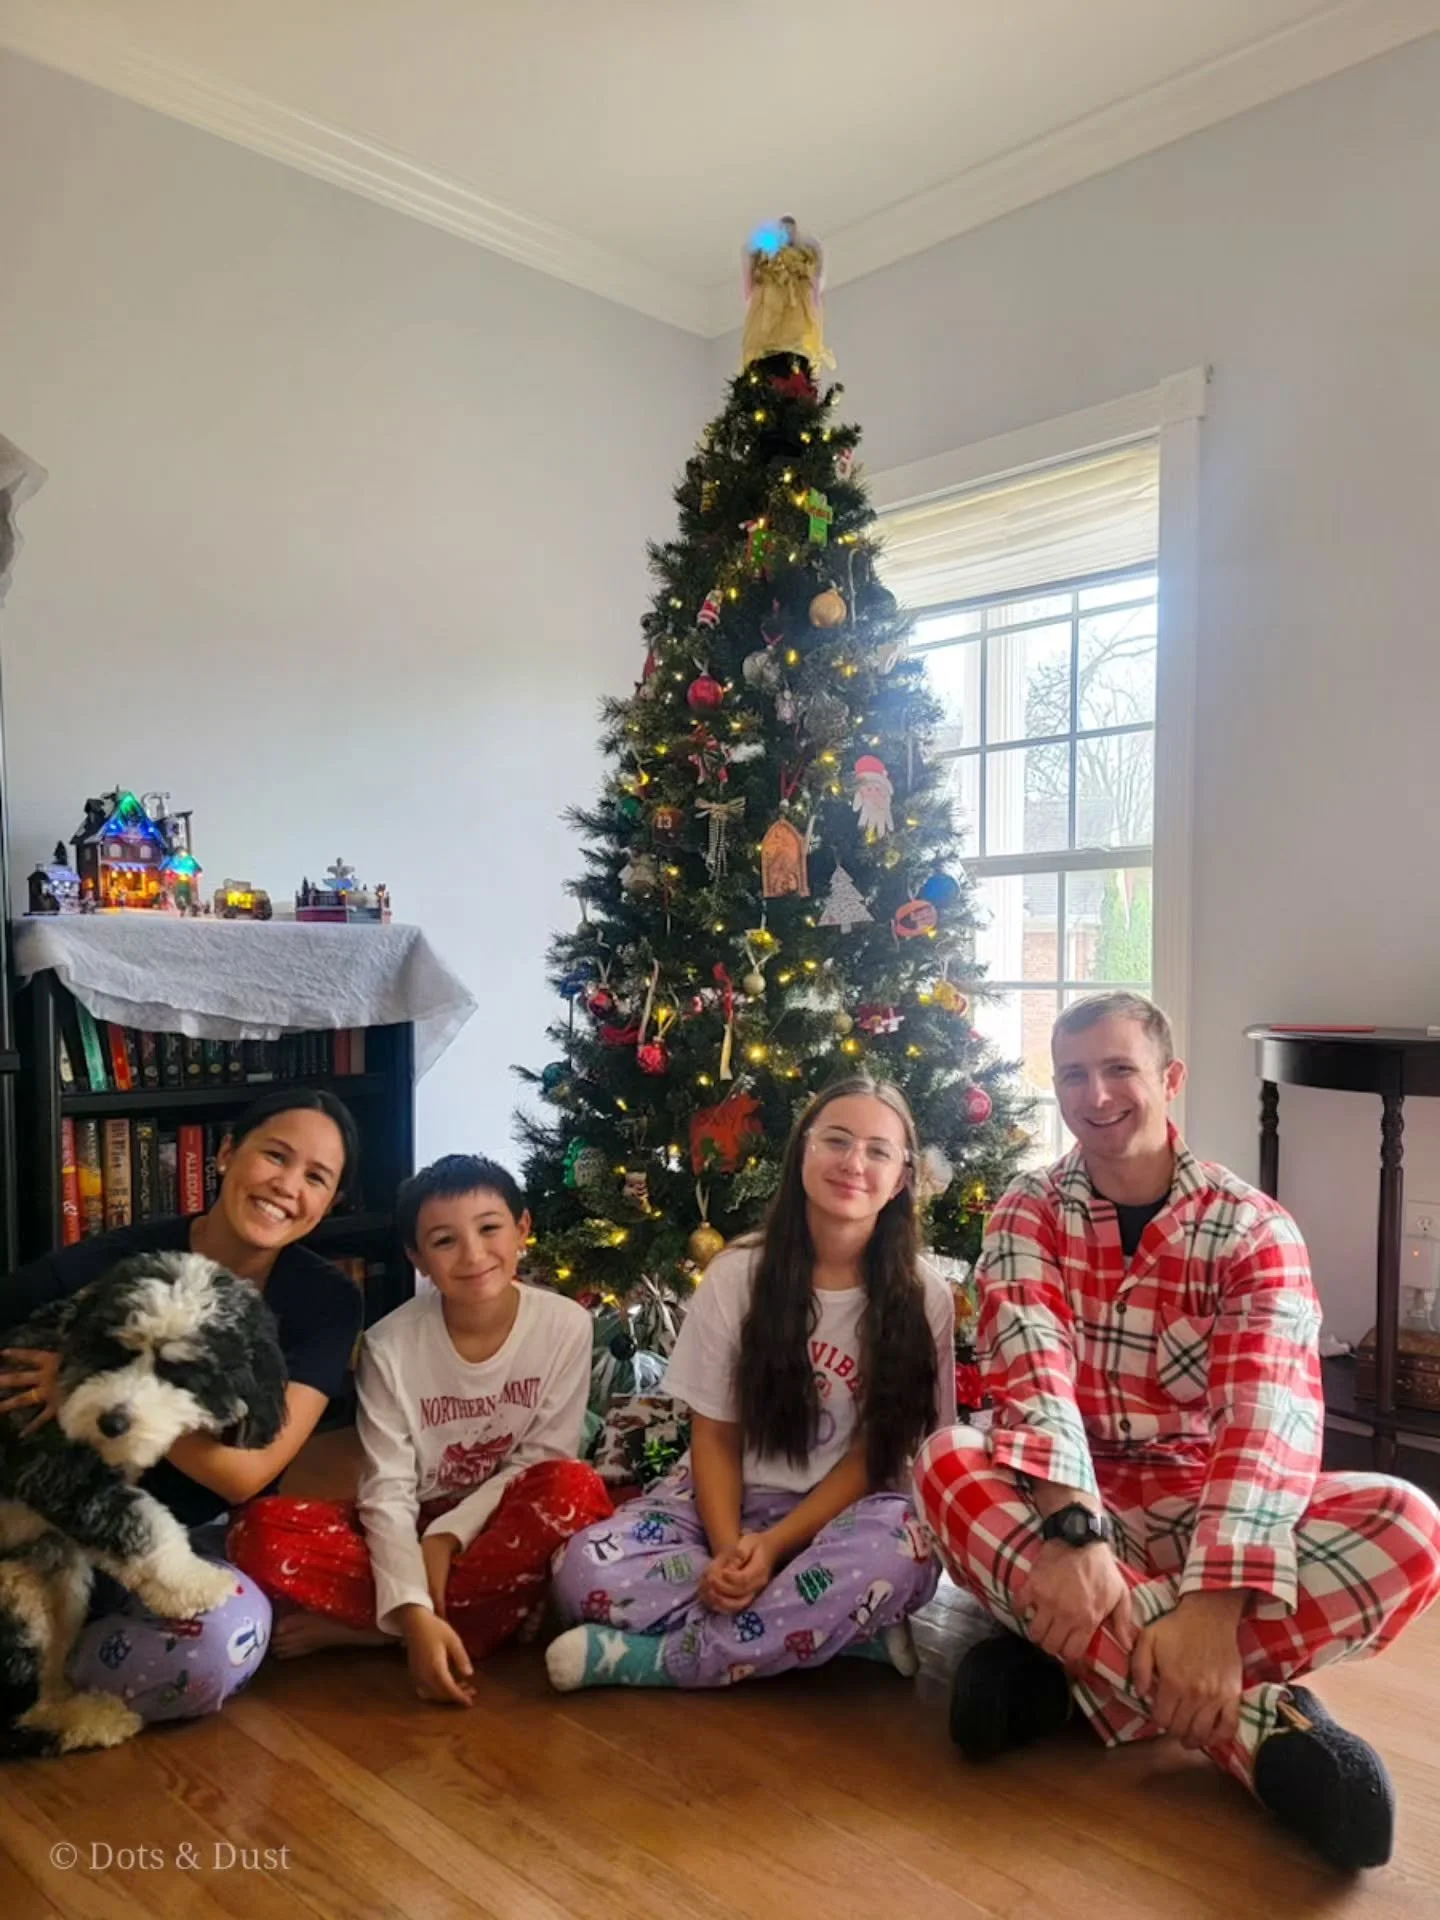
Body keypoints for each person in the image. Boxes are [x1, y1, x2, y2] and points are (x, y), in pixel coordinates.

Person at [914, 992, 1440, 1874]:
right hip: (1071, 1505)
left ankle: (1084, 1685)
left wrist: (1211, 1606)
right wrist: (1074, 1533)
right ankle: (1253, 1728)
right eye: (1074, 1074)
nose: (1097, 1093)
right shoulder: (1024, 1211)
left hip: (1212, 1512)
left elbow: (1268, 1417)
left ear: (1170, 1078)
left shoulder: (1253, 1229)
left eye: (1120, 1068)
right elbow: (1031, 1377)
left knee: (1413, 1526)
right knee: (945, 1462)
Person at [546, 1077, 955, 1692]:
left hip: (851, 1515)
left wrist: (775, 1547)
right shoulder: (738, 1273)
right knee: (581, 1575)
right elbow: (713, 1434)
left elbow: (879, 1454)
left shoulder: (927, 1297)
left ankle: (659, 1662)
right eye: (836, 1141)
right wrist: (731, 1549)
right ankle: (839, 1633)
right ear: (801, 1157)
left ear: (901, 1179)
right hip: (724, 1500)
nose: (853, 1163)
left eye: (878, 1151)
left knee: (902, 1553)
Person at [0, 1086, 364, 1723]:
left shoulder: (326, 1299)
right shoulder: (129, 1262)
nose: (287, 1185)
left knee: (223, 1644)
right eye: (274, 1156)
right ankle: (32, 1672)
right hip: (54, 1513)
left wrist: (99, 1386)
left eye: (316, 1177)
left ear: (331, 1201)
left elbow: (248, 1473)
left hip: (193, 1534)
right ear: (226, 1153)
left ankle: (41, 1678)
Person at [229, 1155, 613, 1706]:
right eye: (444, 1241)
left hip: (498, 1520)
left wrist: (449, 1535)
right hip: (408, 1523)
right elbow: (386, 1490)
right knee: (258, 1532)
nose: (474, 1255)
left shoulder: (566, 1325)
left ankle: (376, 1631)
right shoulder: (389, 1346)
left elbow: (539, 1461)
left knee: (575, 1488)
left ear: (522, 1229)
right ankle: (446, 1622)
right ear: (417, 1258)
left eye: (489, 1228)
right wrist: (413, 1593)